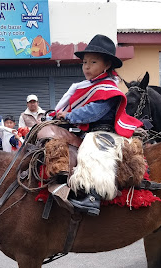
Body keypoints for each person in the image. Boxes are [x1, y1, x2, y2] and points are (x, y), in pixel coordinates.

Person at [54, 34, 143, 216]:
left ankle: (93, 198)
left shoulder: (107, 89)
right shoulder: (87, 86)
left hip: (104, 132)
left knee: (91, 153)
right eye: (84, 62)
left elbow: (93, 112)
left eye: (93, 62)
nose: (86, 66)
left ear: (107, 65)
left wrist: (70, 115)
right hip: (88, 131)